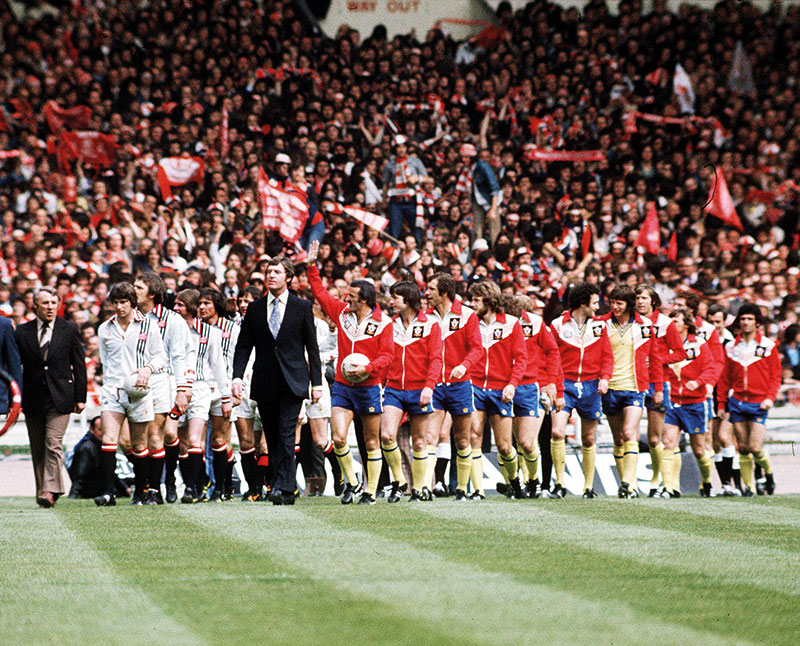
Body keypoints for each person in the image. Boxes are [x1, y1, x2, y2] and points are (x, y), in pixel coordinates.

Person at [306, 240, 393, 505]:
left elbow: (387, 356)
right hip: (343, 386)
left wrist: (368, 368)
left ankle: (370, 491)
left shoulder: (383, 323)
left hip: (369, 387)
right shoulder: (342, 313)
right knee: (339, 438)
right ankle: (352, 484)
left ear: (364, 300)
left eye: (352, 297)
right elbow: (320, 293)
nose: (346, 299)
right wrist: (311, 266)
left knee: (370, 441)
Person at [232, 256, 322, 505]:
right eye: (268, 272)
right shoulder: (256, 308)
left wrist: (316, 383)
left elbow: (312, 347)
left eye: (276, 272)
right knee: (271, 436)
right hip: (265, 380)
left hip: (294, 380)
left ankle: (285, 486)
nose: (271, 276)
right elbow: (243, 346)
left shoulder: (301, 307)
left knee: (285, 433)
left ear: (288, 278)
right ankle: (282, 484)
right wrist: (237, 377)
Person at [94, 282, 168, 506]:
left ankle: (141, 492)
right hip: (113, 390)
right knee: (109, 439)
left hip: (140, 391)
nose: (119, 307)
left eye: (123, 302)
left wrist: (147, 369)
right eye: (115, 303)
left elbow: (160, 357)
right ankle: (108, 493)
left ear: (132, 303)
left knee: (139, 444)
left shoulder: (149, 326)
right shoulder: (105, 328)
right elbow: (105, 360)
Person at [15, 286, 84, 508]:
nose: (50, 307)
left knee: (53, 442)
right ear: (35, 305)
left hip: (61, 396)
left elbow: (79, 364)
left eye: (54, 303)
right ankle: (43, 491)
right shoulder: (22, 332)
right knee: (37, 446)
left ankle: (50, 489)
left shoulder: (69, 329)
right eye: (45, 303)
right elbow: (17, 366)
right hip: (33, 397)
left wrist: (80, 396)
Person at [550, 283, 613, 498]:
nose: (598, 307)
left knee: (588, 438)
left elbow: (607, 357)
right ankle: (559, 484)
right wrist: (556, 386)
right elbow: (552, 357)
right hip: (565, 385)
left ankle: (588, 487)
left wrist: (605, 379)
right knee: (557, 432)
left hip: (590, 386)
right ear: (583, 303)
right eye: (595, 303)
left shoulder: (600, 327)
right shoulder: (558, 325)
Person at [381, 281, 442, 502]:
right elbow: (385, 356)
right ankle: (399, 481)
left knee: (419, 441)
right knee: (387, 435)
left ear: (407, 299)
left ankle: (418, 488)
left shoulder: (431, 325)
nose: (391, 302)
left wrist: (429, 386)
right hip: (394, 389)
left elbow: (436, 359)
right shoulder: (390, 325)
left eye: (395, 297)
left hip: (420, 390)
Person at [133, 273, 192, 503]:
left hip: (162, 379)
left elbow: (179, 356)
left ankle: (161, 483)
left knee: (160, 433)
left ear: (153, 294)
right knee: (135, 440)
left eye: (139, 287)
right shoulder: (132, 318)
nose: (134, 290)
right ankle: (149, 483)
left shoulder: (172, 320)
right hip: (136, 383)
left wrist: (181, 388)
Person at [599, 284, 661, 498]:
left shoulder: (645, 326)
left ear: (628, 305)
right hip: (609, 387)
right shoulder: (602, 324)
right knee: (618, 439)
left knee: (629, 432)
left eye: (619, 303)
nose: (614, 306)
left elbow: (655, 358)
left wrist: (658, 387)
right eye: (612, 302)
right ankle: (624, 483)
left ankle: (630, 483)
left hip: (635, 388)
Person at [426, 273, 483, 500]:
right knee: (430, 437)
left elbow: (477, 348)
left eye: (431, 289)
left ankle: (461, 488)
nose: (427, 293)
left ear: (444, 293)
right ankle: (425, 487)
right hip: (435, 385)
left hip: (460, 384)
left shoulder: (467, 315)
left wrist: (464, 365)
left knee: (462, 438)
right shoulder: (426, 319)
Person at [468, 280, 527, 500]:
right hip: (474, 386)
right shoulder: (469, 323)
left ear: (489, 300)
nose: (472, 304)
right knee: (474, 436)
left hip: (501, 389)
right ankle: (477, 490)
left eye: (476, 300)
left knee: (504, 446)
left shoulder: (511, 324)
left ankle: (514, 481)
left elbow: (521, 358)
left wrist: (512, 384)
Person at [716, 303, 782, 497]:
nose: (745, 322)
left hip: (759, 401)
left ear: (757, 323)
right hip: (737, 400)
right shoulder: (730, 347)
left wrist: (770, 397)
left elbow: (776, 376)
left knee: (755, 447)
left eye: (749, 319)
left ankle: (768, 474)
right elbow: (724, 378)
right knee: (743, 448)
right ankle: (748, 488)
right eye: (743, 319)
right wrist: (721, 403)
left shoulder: (767, 345)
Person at [503, 294, 561, 498]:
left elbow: (553, 351)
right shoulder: (499, 323)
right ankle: (515, 483)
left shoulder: (535, 324)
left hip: (531, 386)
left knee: (529, 441)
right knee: (508, 442)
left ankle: (535, 482)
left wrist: (552, 383)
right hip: (503, 385)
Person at [172, 289, 227, 503]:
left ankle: (191, 489)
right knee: (181, 442)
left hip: (200, 389)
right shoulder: (170, 330)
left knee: (196, 439)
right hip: (176, 388)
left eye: (181, 304)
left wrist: (225, 395)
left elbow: (218, 365)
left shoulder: (210, 333)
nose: (176, 308)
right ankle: (197, 482)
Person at [634, 284, 686, 497]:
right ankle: (633, 482)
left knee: (655, 438)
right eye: (637, 297)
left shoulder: (665, 323)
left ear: (652, 301)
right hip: (635, 381)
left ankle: (657, 480)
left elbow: (680, 353)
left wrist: (658, 360)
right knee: (631, 434)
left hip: (659, 382)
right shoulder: (630, 322)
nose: (640, 301)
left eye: (644, 297)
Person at [661, 307, 717, 498]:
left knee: (699, 450)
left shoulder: (699, 344)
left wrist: (698, 382)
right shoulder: (665, 344)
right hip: (672, 401)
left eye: (676, 321)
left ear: (686, 324)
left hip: (695, 403)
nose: (672, 324)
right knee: (668, 443)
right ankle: (670, 487)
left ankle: (707, 481)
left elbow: (710, 368)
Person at [199, 288, 240, 501]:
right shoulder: (194, 330)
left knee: (219, 439)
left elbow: (237, 359)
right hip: (200, 387)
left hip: (223, 388)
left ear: (216, 305)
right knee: (195, 440)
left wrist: (234, 388)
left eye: (207, 303)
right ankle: (202, 484)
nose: (202, 307)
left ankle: (223, 486)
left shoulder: (231, 329)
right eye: (200, 303)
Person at [707, 303, 741, 495]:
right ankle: (726, 485)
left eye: (718, 322)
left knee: (728, 438)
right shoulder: (703, 339)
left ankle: (737, 483)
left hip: (727, 394)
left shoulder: (731, 343)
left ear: (724, 321)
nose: (714, 325)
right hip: (711, 393)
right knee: (715, 443)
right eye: (711, 321)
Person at [67, 416, 128, 499]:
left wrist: (125, 489)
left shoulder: (103, 445)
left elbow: (111, 473)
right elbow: (79, 476)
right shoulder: (87, 447)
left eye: (106, 430)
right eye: (100, 430)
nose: (103, 433)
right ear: (92, 430)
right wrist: (73, 496)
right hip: (91, 491)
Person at [382, 134, 427, 244]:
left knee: (416, 228)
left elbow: (426, 177)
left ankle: (419, 250)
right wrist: (384, 200)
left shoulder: (415, 161)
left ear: (406, 147)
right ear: (394, 149)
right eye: (398, 147)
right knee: (395, 228)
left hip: (411, 199)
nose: (401, 149)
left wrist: (417, 178)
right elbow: (385, 183)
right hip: (396, 200)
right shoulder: (390, 165)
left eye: (403, 146)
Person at [454, 143, 502, 244]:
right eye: (463, 157)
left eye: (467, 157)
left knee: (494, 231)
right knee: (477, 230)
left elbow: (494, 188)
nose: (464, 160)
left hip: (489, 201)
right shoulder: (467, 169)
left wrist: (493, 209)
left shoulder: (483, 167)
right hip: (476, 201)